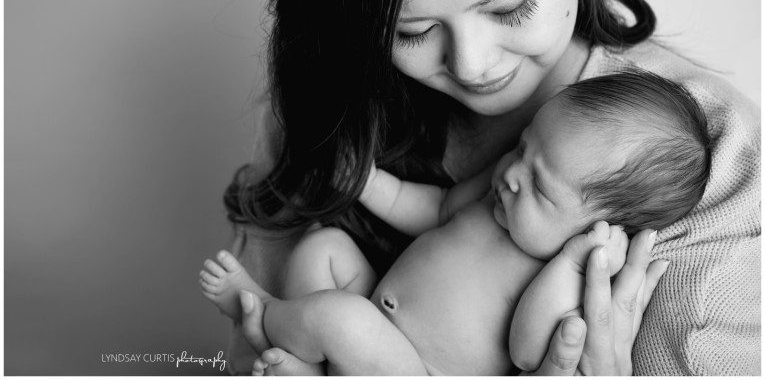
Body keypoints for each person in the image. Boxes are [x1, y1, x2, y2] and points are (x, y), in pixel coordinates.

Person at [220, 0, 760, 375]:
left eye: (511, 8)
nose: (472, 66)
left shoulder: (714, 172)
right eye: (413, 31)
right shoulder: (340, 101)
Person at [202, 71, 708, 375]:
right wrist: (366, 182)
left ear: (598, 231)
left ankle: (263, 315)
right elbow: (434, 209)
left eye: (541, 187)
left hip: (417, 370)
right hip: (375, 309)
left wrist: (577, 263)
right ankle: (309, 363)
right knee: (325, 248)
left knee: (340, 319)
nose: (512, 176)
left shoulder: (563, 272)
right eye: (524, 146)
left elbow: (528, 350)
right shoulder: (501, 188)